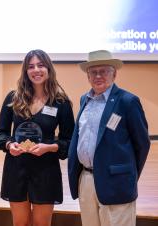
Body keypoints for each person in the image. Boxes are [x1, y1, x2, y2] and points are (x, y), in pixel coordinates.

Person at [68, 50, 151, 226]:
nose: (98, 76)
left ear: (114, 73)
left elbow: (142, 144)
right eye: (93, 72)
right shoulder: (85, 100)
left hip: (116, 182)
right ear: (88, 76)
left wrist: (127, 175)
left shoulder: (127, 101)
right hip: (86, 180)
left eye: (104, 71)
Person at [0, 49, 75, 226]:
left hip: (45, 169)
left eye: (41, 65)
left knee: (41, 224)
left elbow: (70, 142)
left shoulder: (61, 102)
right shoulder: (14, 98)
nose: (36, 70)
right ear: (25, 71)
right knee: (20, 223)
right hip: (16, 168)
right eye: (31, 66)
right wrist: (9, 145)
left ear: (48, 69)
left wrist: (50, 147)